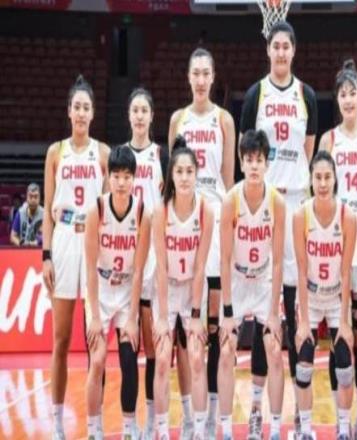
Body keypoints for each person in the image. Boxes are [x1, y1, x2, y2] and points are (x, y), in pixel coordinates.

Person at [239, 21, 318, 435]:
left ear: (294, 50)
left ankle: (301, 413)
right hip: (265, 204)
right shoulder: (256, 94)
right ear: (268, 50)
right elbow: (247, 151)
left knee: (297, 305)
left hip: (297, 204)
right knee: (263, 311)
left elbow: (309, 151)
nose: (282, 52)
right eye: (277, 46)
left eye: (287, 46)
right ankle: (256, 408)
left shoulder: (307, 95)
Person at [168, 47, 235, 439]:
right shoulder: (177, 119)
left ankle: (210, 412)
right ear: (188, 76)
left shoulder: (224, 119)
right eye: (195, 72)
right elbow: (172, 176)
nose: (200, 79)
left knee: (211, 324)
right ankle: (189, 412)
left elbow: (228, 180)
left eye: (206, 72)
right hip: (185, 221)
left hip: (215, 215)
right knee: (185, 325)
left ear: (213, 76)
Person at [41, 75, 109, 440]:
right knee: (61, 340)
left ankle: (95, 425)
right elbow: (48, 213)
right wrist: (46, 256)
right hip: (65, 238)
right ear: (69, 112)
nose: (81, 113)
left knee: (95, 341)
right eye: (76, 107)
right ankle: (56, 423)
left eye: (86, 107)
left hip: (94, 240)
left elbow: (112, 209)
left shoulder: (103, 153)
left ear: (93, 113)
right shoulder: (56, 152)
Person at [318, 59, 357, 437]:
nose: (347, 99)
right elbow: (320, 191)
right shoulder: (329, 140)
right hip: (336, 240)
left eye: (352, 92)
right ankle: (342, 420)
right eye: (342, 93)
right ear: (337, 98)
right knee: (337, 333)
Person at [217, 130, 285, 440]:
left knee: (274, 348)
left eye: (259, 160)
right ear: (242, 163)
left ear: (267, 164)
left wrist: (273, 312)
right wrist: (228, 312)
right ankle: (227, 429)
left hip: (264, 280)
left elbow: (279, 261)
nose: (255, 166)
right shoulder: (230, 200)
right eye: (249, 160)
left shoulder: (277, 201)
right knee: (226, 349)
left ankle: (270, 425)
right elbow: (224, 258)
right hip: (237, 280)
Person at [151, 136, 214, 440]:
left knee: (197, 357)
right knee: (163, 358)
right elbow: (161, 268)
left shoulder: (206, 211)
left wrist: (197, 315)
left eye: (190, 171)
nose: (185, 177)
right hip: (166, 288)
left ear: (196, 173)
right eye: (180, 171)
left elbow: (200, 267)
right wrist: (163, 317)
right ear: (172, 175)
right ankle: (163, 432)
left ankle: (199, 431)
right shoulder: (160, 212)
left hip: (192, 288)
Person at [85, 146, 149, 439]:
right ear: (108, 177)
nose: (121, 182)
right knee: (97, 359)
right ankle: (93, 430)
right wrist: (95, 316)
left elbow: (138, 270)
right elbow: (89, 267)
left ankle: (128, 429)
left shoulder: (142, 212)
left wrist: (133, 317)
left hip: (125, 292)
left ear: (134, 178)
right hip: (99, 290)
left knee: (128, 359)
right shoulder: (96, 210)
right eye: (116, 176)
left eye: (127, 176)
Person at [293, 151, 356, 440]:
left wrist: (343, 321)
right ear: (310, 180)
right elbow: (301, 269)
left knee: (344, 366)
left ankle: (343, 427)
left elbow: (346, 271)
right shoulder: (301, 215)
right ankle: (306, 429)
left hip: (336, 298)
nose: (322, 183)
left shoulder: (347, 216)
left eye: (327, 177)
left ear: (335, 179)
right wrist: (304, 321)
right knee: (304, 365)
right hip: (310, 296)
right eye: (317, 177)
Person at [125, 87, 168, 439]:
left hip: (153, 255)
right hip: (125, 252)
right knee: (129, 342)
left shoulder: (160, 156)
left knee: (153, 346)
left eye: (144, 110)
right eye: (135, 110)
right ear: (129, 115)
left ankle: (153, 420)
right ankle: (130, 422)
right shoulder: (120, 157)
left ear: (152, 116)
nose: (139, 116)